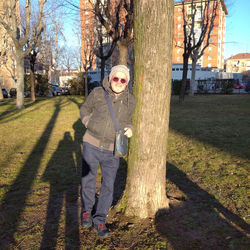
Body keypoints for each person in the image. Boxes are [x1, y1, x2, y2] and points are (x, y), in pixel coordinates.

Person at [80, 65, 137, 237]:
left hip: (112, 149)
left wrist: (130, 128)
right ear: (110, 78)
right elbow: (84, 109)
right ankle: (87, 211)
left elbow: (128, 120)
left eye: (123, 80)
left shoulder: (131, 100)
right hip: (91, 143)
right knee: (88, 180)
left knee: (108, 185)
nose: (119, 82)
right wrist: (87, 121)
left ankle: (100, 219)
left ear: (127, 83)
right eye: (116, 78)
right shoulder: (98, 92)